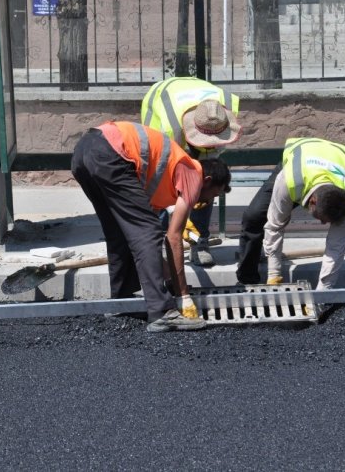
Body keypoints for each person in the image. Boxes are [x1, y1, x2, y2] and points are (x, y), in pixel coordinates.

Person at [71, 120, 232, 332]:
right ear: (208, 180)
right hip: (111, 152)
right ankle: (163, 312)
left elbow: (147, 250)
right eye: (215, 194)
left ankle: (120, 302)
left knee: (120, 233)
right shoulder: (194, 173)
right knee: (148, 232)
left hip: (84, 152)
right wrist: (183, 295)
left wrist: (171, 279)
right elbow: (172, 238)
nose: (210, 200)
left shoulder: (165, 174)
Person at [236, 137, 345, 314]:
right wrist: (274, 275)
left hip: (343, 163)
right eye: (322, 219)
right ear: (311, 201)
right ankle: (247, 279)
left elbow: (336, 246)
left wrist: (322, 294)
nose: (325, 224)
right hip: (300, 160)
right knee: (254, 217)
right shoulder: (289, 180)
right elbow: (274, 227)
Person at [141, 76, 241, 267]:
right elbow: (165, 174)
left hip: (197, 108)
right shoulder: (170, 127)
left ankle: (199, 240)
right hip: (159, 102)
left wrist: (197, 194)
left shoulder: (224, 111)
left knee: (208, 184)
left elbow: (207, 170)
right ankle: (161, 239)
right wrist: (175, 208)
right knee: (161, 182)